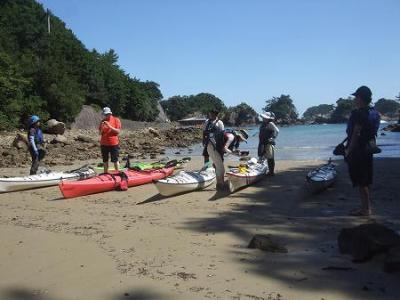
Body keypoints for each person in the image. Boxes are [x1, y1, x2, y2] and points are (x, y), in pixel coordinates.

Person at [345, 86, 380, 217]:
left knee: (361, 181)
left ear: (360, 98)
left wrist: (349, 150)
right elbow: (372, 133)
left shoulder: (358, 113)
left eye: (356, 97)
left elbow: (356, 133)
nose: (355, 99)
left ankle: (366, 209)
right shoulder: (375, 113)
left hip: (358, 150)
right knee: (366, 179)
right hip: (369, 149)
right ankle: (365, 207)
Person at [99, 107, 122, 173]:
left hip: (113, 143)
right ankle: (105, 173)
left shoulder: (116, 120)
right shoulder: (102, 121)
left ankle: (118, 173)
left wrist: (109, 126)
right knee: (105, 160)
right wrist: (102, 129)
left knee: (115, 160)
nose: (106, 116)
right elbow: (100, 133)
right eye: (105, 114)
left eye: (107, 114)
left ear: (110, 113)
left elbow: (118, 131)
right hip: (104, 143)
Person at [258, 112, 279, 176]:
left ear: (268, 118)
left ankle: (271, 172)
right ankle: (262, 170)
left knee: (270, 158)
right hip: (262, 142)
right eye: (263, 117)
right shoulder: (262, 124)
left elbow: (277, 130)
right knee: (261, 156)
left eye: (265, 117)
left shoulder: (270, 123)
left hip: (269, 143)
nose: (264, 118)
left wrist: (273, 138)